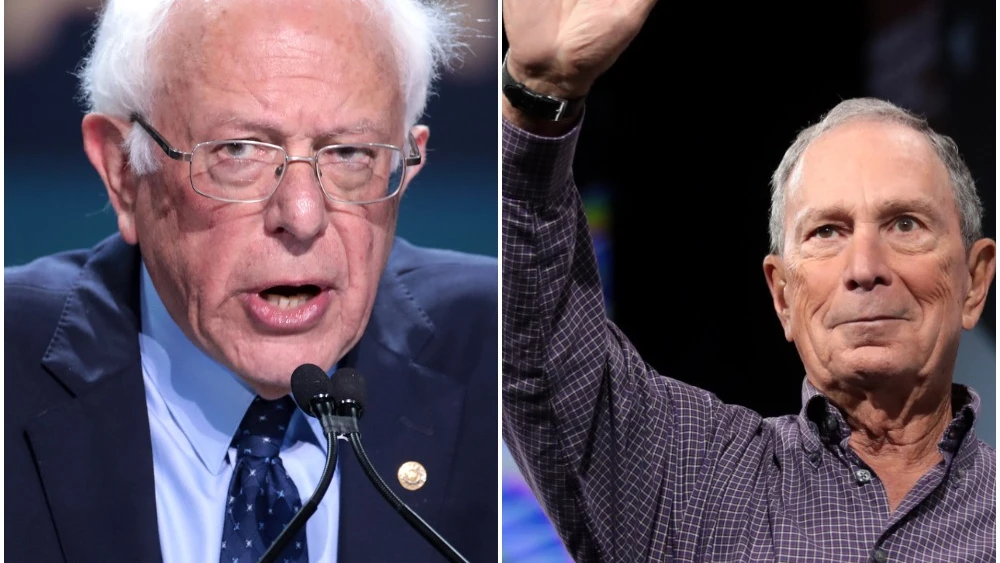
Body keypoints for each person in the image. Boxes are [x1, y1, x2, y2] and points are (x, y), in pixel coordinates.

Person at [501, 1, 996, 561]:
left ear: (975, 282)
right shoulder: (691, 486)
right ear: (782, 296)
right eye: (828, 232)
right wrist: (539, 95)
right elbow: (542, 349)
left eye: (904, 224)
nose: (865, 268)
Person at [6, 0, 497, 561]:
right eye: (238, 150)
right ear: (123, 172)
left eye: (350, 153)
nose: (303, 215)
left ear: (404, 170)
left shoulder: (506, 354)